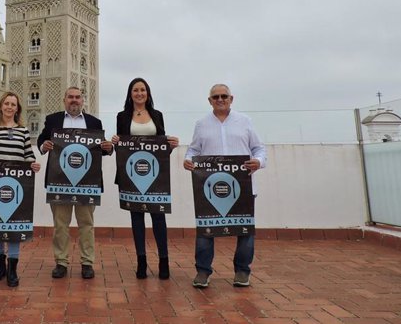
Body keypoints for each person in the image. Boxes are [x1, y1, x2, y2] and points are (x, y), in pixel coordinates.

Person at [183, 84, 267, 289]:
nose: (220, 99)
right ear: (209, 100)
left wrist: (258, 161)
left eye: (224, 96)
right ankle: (203, 271)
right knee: (205, 231)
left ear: (231, 98)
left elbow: (259, 149)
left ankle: (242, 271)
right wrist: (188, 160)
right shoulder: (201, 124)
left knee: (245, 231)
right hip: (209, 188)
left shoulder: (245, 121)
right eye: (215, 96)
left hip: (243, 186)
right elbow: (193, 150)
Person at [37, 86, 113, 279]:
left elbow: (101, 148)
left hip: (87, 182)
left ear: (82, 101)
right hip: (59, 181)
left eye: (78, 97)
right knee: (60, 224)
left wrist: (109, 147)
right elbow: (42, 140)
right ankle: (61, 262)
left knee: (86, 224)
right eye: (70, 97)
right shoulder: (53, 120)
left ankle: (87, 263)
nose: (74, 100)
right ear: (64, 100)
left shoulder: (94, 122)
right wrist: (43, 146)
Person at [111, 78, 179, 280]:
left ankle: (163, 260)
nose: (139, 93)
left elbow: (161, 144)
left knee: (159, 217)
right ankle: (141, 261)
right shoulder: (122, 116)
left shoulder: (157, 115)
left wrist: (171, 144)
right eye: (135, 90)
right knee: (136, 218)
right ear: (130, 94)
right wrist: (116, 141)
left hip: (155, 174)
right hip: (132, 175)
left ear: (147, 93)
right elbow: (121, 147)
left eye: (142, 90)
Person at [0, 91, 40, 287]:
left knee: (14, 226)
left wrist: (33, 165)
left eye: (13, 104)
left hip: (16, 184)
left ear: (17, 109)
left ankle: (12, 269)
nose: (10, 107)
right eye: (7, 103)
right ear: (1, 107)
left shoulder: (23, 131)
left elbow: (28, 155)